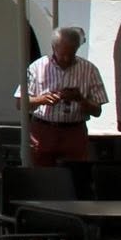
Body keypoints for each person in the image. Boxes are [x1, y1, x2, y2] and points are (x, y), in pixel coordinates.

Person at [17, 25, 108, 166]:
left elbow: (97, 111)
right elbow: (19, 103)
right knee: (42, 174)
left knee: (76, 176)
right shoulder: (37, 67)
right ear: (54, 48)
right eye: (63, 54)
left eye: (71, 54)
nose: (66, 59)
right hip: (43, 130)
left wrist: (80, 99)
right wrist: (42, 99)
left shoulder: (89, 70)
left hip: (74, 132)